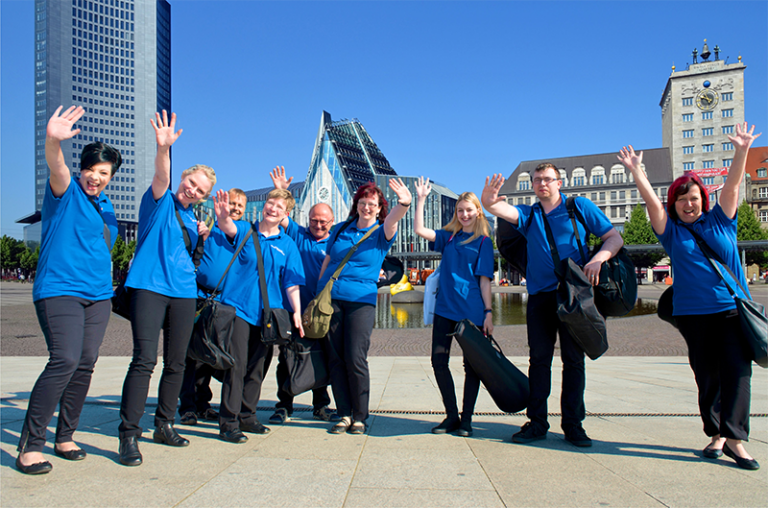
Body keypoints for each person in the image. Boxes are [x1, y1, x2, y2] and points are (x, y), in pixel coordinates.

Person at [618, 122, 761, 470]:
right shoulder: (671, 232)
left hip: (730, 310)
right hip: (693, 315)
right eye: (681, 199)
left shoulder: (721, 220)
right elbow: (651, 203)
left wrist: (741, 149)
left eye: (693, 198)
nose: (688, 204)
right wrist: (637, 171)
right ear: (675, 204)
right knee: (707, 377)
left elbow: (734, 184)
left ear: (703, 200)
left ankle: (736, 440)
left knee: (738, 374)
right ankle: (716, 435)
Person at [481, 164, 623, 447]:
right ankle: (537, 422)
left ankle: (573, 424)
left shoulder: (577, 207)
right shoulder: (528, 213)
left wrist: (598, 259)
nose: (541, 184)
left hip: (573, 293)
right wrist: (488, 200)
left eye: (547, 179)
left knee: (573, 361)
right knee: (539, 360)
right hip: (540, 297)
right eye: (537, 180)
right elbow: (498, 210)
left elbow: (614, 237)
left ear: (559, 182)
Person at [15, 106, 120, 475]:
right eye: (90, 169)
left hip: (98, 296)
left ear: (111, 177)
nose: (95, 177)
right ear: (82, 170)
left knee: (86, 364)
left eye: (103, 173)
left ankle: (65, 436)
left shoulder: (106, 208)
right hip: (60, 290)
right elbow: (56, 165)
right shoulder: (66, 191)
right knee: (65, 360)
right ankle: (30, 446)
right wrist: (53, 139)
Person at [118, 111, 215, 466]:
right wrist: (164, 149)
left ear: (204, 196)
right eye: (192, 182)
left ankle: (165, 423)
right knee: (144, 360)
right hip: (149, 287)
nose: (193, 189)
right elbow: (161, 175)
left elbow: (189, 254)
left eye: (200, 190)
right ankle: (129, 434)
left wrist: (200, 236)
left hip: (184, 293)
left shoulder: (192, 219)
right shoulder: (159, 202)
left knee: (176, 363)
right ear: (184, 176)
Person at [318, 179, 412, 434]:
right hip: (332, 300)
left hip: (361, 301)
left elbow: (395, 219)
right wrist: (317, 296)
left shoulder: (382, 232)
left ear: (380, 208)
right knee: (336, 359)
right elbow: (327, 263)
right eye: (363, 203)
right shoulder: (339, 230)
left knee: (355, 356)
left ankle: (360, 416)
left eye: (372, 204)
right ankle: (344, 414)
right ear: (356, 204)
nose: (367, 208)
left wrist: (404, 202)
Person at [211, 188, 305, 444]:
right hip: (239, 309)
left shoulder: (287, 244)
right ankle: (228, 422)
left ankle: (248, 415)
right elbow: (227, 225)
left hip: (268, 314)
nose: (272, 208)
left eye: (279, 206)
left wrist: (296, 311)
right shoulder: (245, 230)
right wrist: (221, 216)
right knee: (236, 366)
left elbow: (292, 282)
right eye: (270, 203)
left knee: (257, 367)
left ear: (286, 213)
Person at [414, 178, 494, 437]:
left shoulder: (483, 242)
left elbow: (484, 281)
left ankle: (467, 419)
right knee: (438, 361)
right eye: (460, 210)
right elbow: (419, 230)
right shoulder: (448, 237)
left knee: (473, 366)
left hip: (470, 311)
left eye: (469, 210)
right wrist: (422, 199)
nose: (464, 214)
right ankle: (451, 415)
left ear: (477, 211)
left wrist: (488, 313)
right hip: (444, 309)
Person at [267, 166, 338, 424]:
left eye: (324, 222)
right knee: (287, 358)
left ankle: (321, 405)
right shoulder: (298, 235)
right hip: (293, 310)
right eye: (314, 221)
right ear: (307, 220)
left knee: (321, 357)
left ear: (332, 222)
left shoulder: (335, 242)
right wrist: (282, 191)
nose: (318, 225)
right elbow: (282, 215)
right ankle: (284, 405)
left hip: (322, 313)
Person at [178, 188, 248, 426]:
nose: (236, 208)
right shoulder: (208, 229)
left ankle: (203, 403)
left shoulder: (244, 235)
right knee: (191, 356)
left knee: (210, 354)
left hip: (224, 304)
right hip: (199, 299)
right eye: (232, 204)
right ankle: (187, 406)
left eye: (240, 205)